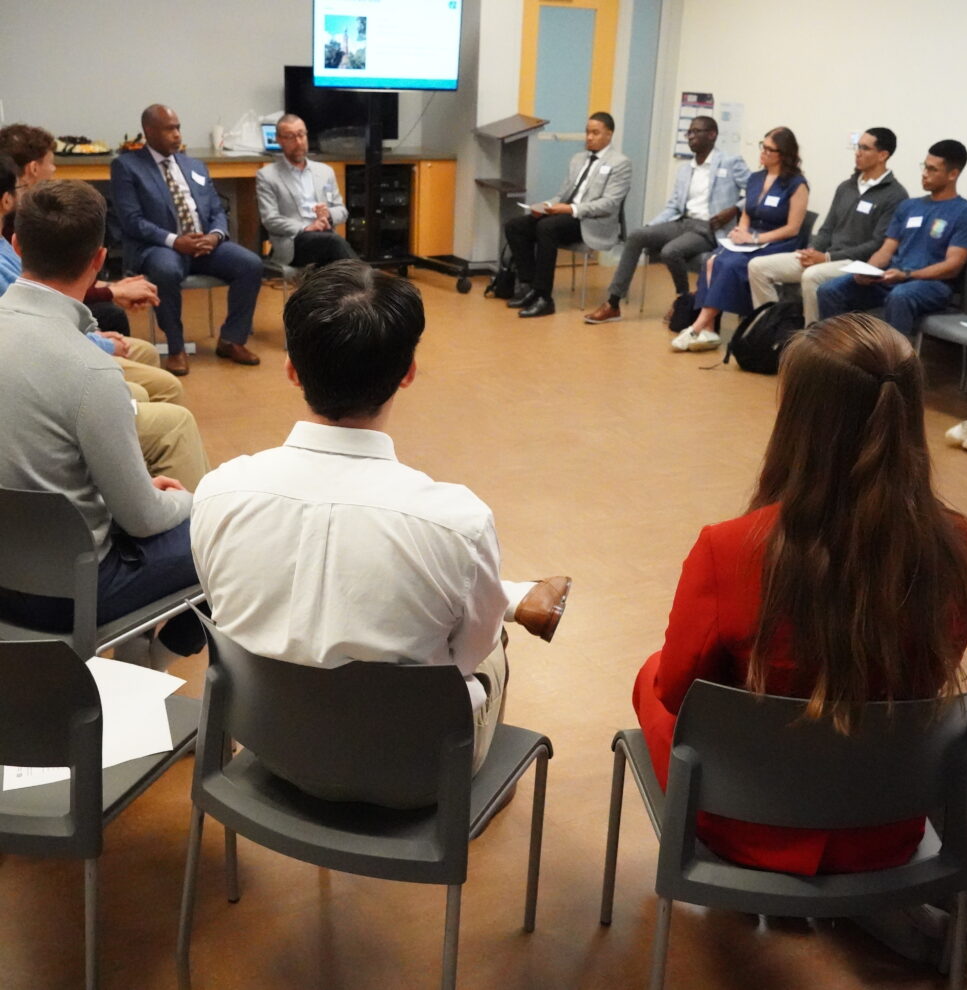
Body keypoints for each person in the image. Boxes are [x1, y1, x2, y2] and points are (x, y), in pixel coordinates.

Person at [191, 261, 572, 802]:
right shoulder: (458, 521)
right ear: (408, 372)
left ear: (292, 370)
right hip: (412, 777)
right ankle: (492, 787)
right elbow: (465, 658)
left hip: (266, 747)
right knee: (493, 641)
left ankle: (505, 597)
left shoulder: (218, 491)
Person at [634, 312, 967, 877]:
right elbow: (932, 676)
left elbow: (676, 691)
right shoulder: (954, 542)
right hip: (886, 822)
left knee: (651, 675)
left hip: (751, 822)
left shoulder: (731, 547)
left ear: (799, 419)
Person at [0, 180, 205, 661]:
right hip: (68, 594)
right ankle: (153, 662)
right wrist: (191, 502)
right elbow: (143, 519)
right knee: (227, 531)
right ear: (98, 260)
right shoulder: (91, 372)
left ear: (17, 245)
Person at [111, 104, 264, 376]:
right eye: (169, 129)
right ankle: (176, 347)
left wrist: (215, 236)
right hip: (159, 246)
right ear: (149, 131)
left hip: (204, 245)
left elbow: (217, 210)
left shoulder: (194, 165)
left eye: (178, 128)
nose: (177, 135)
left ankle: (232, 340)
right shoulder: (127, 166)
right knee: (166, 270)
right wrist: (175, 241)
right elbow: (132, 220)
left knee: (250, 264)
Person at [0, 122, 164, 345]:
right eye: (51, 163)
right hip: (41, 329)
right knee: (117, 322)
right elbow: (42, 290)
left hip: (40, 320)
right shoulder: (20, 222)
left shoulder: (20, 218)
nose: (54, 170)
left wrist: (113, 288)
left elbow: (53, 279)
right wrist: (112, 293)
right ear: (33, 169)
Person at [583, 116, 749, 325]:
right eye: (689, 132)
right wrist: (651, 227)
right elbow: (673, 206)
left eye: (697, 132)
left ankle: (682, 300)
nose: (691, 137)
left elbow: (756, 190)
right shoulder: (685, 170)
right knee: (637, 235)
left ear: (712, 135)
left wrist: (734, 209)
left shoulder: (730, 162)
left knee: (670, 251)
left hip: (708, 228)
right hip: (683, 222)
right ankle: (613, 303)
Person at [817, 140, 967, 337]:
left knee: (900, 296)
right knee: (830, 290)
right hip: (892, 277)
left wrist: (908, 275)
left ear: (953, 174)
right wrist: (868, 271)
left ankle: (894, 356)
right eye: (924, 167)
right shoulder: (909, 206)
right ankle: (840, 349)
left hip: (931, 284)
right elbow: (886, 250)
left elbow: (953, 266)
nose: (924, 173)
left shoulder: (965, 213)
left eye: (932, 169)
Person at [748, 127, 908, 324]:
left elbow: (877, 244)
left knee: (812, 276)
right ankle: (769, 328)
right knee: (758, 267)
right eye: (858, 147)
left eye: (865, 148)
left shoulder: (895, 195)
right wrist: (812, 251)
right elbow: (827, 228)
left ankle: (811, 337)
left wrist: (827, 258)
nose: (858, 153)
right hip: (826, 256)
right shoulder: (846, 187)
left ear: (883, 155)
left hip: (855, 262)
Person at [671, 127, 808, 352]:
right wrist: (740, 233)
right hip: (750, 239)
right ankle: (710, 330)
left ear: (784, 154)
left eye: (770, 149)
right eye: (762, 146)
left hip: (777, 242)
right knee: (712, 260)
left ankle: (697, 327)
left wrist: (755, 238)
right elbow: (747, 213)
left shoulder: (796, 184)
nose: (763, 152)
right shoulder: (756, 178)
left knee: (729, 265)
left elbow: (793, 229)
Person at [503, 112, 632, 318]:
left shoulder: (620, 163)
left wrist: (571, 209)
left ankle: (544, 298)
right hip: (565, 216)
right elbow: (562, 195)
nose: (589, 137)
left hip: (592, 222)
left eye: (595, 133)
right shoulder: (578, 159)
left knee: (546, 227)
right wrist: (545, 205)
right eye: (587, 132)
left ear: (609, 134)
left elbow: (609, 204)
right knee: (516, 226)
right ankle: (529, 287)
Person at [256, 113, 357, 268]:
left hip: (324, 236)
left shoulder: (325, 171)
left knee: (332, 249)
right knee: (334, 244)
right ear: (279, 140)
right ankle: (367, 279)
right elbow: (270, 220)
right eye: (290, 137)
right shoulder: (267, 175)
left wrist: (328, 215)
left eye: (301, 135)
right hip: (294, 241)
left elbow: (342, 211)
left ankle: (361, 278)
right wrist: (306, 227)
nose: (298, 142)